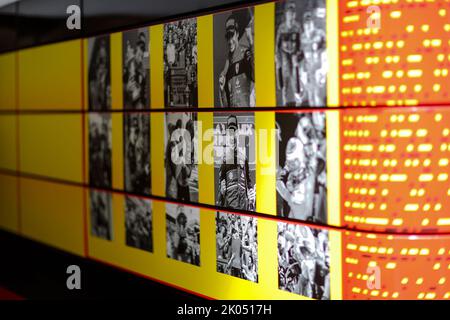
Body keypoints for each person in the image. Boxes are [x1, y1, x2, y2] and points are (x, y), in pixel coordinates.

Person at [217, 115, 255, 210]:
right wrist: (221, 192)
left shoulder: (243, 158)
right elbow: (220, 194)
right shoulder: (224, 159)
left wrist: (252, 196)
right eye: (230, 131)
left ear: (237, 133)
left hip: (244, 209)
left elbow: (249, 184)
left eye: (234, 130)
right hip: (230, 210)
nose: (232, 134)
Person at [219, 14, 255, 107]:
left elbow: (256, 77)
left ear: (238, 34)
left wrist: (251, 44)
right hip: (234, 117)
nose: (230, 41)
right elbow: (225, 106)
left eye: (232, 35)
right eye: (228, 37)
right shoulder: (226, 69)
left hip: (248, 117)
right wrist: (222, 91)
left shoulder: (245, 55)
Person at [276, 0, 303, 106]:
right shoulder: (281, 28)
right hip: (284, 54)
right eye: (289, 13)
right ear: (286, 14)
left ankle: (298, 100)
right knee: (285, 76)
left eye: (292, 13)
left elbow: (301, 42)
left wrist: (299, 54)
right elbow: (277, 43)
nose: (290, 15)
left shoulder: (297, 26)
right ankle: (284, 100)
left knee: (296, 76)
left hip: (295, 54)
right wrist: (276, 56)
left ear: (294, 14)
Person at [299, 11, 326, 107]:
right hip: (309, 71)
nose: (308, 25)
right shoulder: (302, 38)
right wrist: (302, 72)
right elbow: (301, 56)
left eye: (309, 22)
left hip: (320, 69)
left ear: (313, 23)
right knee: (311, 97)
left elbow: (327, 50)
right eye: (306, 23)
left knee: (320, 96)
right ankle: (316, 119)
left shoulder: (320, 34)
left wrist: (323, 69)